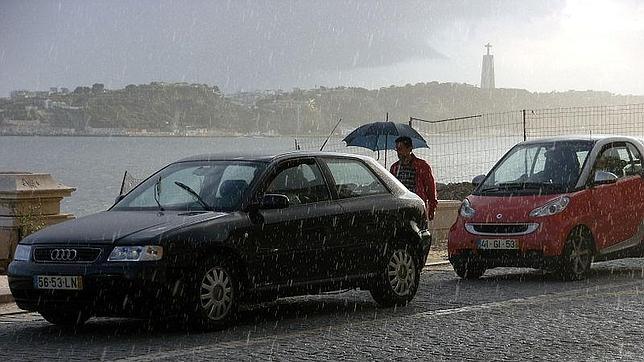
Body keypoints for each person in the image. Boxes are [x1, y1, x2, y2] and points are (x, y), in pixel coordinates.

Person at [390, 136, 438, 221]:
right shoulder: (395, 168)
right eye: (396, 149)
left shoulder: (422, 166)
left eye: (400, 149)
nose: (398, 152)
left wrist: (432, 207)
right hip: (399, 207)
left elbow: (430, 188)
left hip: (416, 206)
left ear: (409, 148)